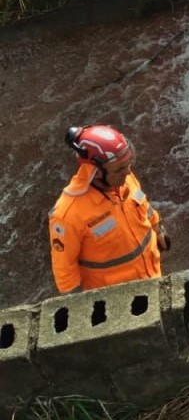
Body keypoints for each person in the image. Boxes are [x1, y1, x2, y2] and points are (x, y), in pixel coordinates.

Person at [48, 124, 170, 294]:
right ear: (95, 172)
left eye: (128, 164)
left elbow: (144, 205)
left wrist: (158, 228)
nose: (128, 172)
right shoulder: (67, 215)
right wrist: (79, 305)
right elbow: (65, 271)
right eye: (120, 169)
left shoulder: (123, 179)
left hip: (151, 275)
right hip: (117, 296)